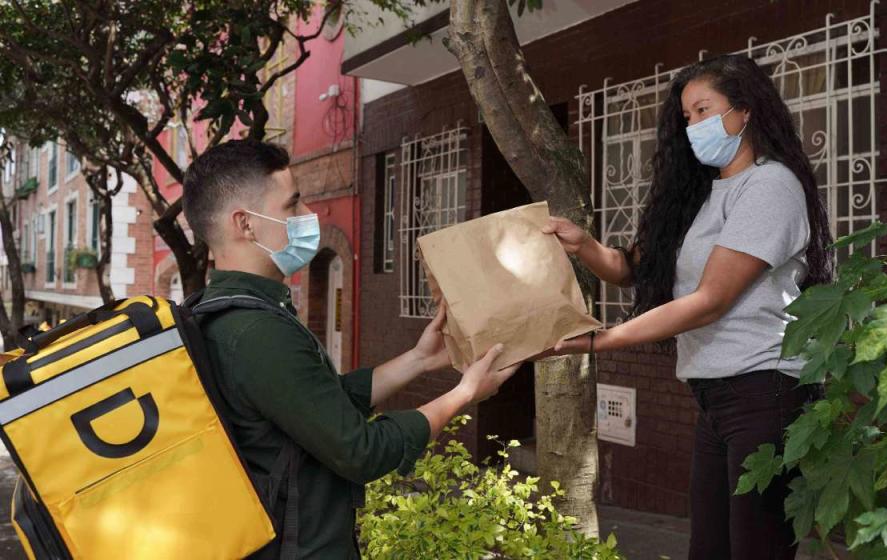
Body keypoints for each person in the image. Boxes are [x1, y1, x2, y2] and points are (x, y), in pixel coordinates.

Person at [543, 54, 832, 560]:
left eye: (703, 110)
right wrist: (583, 245)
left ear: (744, 111)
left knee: (755, 550)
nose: (693, 125)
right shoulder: (701, 196)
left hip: (765, 391)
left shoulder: (770, 186)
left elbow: (709, 301)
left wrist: (602, 340)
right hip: (715, 398)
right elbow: (633, 267)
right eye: (687, 117)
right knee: (710, 549)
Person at [181, 139, 519, 559]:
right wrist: (464, 394)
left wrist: (418, 359)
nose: (310, 217)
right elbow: (362, 451)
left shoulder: (220, 312)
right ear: (245, 224)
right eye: (293, 205)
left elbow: (325, 402)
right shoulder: (256, 331)